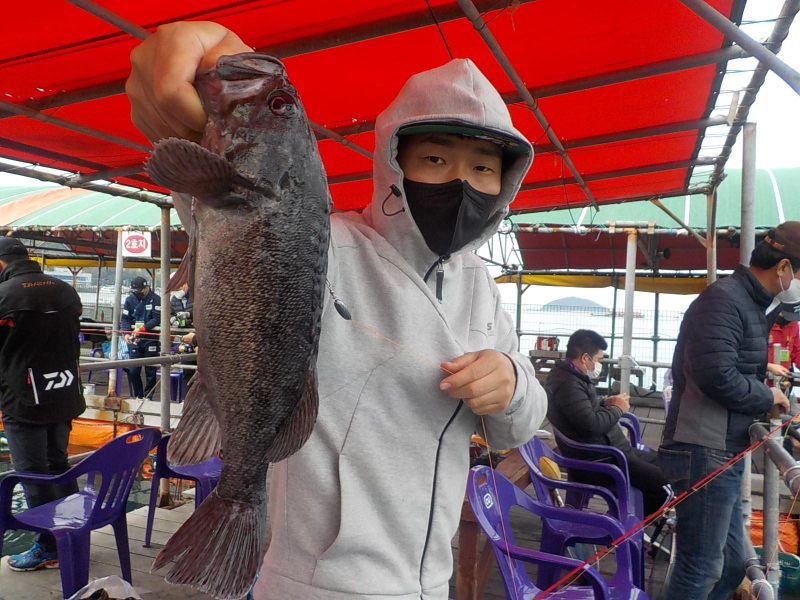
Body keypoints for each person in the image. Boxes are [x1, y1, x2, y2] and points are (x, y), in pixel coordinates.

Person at [126, 21, 548, 600]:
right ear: (394, 163)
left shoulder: (482, 286)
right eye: (434, 158)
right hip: (314, 585)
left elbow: (516, 429)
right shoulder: (328, 242)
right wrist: (208, 62)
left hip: (432, 583)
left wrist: (514, 382)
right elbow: (236, 212)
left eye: (482, 168)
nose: (459, 181)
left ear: (504, 184)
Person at [658, 223, 799, 600]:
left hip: (723, 448)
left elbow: (730, 363)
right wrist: (766, 396)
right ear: (783, 267)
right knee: (700, 566)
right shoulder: (724, 299)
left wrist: (762, 385)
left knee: (735, 564)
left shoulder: (750, 303)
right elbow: (715, 374)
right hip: (702, 448)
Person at [0, 238, 85, 571]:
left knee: (33, 474)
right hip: (63, 391)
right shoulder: (65, 290)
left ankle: (49, 546)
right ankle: (72, 535)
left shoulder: (5, 295)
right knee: (59, 465)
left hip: (24, 400)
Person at [546, 329, 670, 516]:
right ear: (585, 358)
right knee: (665, 486)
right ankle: (624, 528)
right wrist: (618, 409)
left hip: (613, 452)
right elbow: (591, 425)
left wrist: (604, 403)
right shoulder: (568, 384)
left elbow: (580, 412)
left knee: (669, 466)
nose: (600, 365)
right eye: (599, 360)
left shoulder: (570, 376)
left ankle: (623, 522)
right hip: (603, 460)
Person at [120, 276, 161, 399]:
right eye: (134, 291)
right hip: (134, 339)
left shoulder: (156, 299)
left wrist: (143, 328)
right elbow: (125, 319)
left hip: (150, 339)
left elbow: (157, 318)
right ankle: (139, 395)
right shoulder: (129, 300)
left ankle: (148, 396)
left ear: (145, 288)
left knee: (150, 370)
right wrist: (126, 333)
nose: (136, 293)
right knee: (133, 370)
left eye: (138, 291)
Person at [766, 304, 800, 386]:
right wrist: (768, 367)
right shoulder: (764, 324)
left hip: (784, 378)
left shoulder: (793, 324)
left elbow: (796, 351)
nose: (790, 319)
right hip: (764, 378)